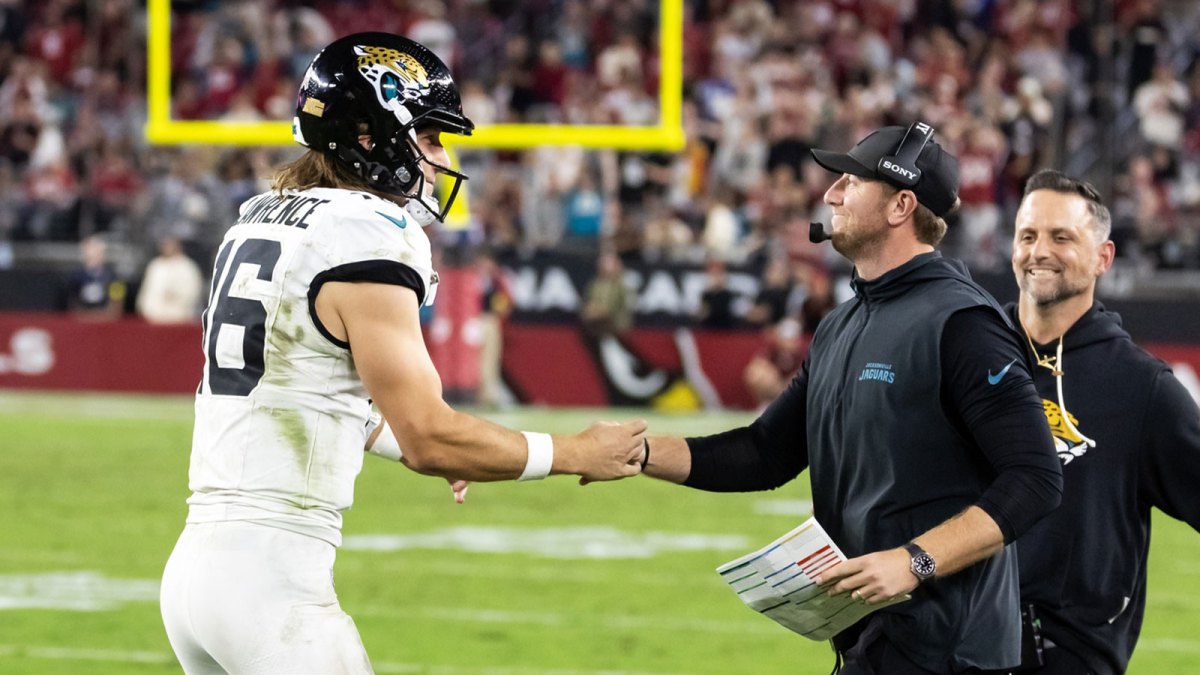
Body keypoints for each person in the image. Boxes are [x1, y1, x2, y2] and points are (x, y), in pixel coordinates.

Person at [159, 33, 647, 675]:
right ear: (371, 136)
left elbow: (309, 392)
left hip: (197, 573)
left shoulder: (261, 214)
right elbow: (429, 436)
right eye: (431, 136)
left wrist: (424, 442)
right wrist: (578, 451)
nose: (443, 160)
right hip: (273, 590)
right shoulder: (367, 232)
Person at [640, 123, 1063, 674]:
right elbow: (766, 451)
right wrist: (639, 454)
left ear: (901, 205)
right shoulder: (841, 324)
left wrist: (916, 560)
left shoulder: (962, 323)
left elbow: (1035, 477)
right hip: (870, 640)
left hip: (949, 649)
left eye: (850, 181)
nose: (830, 194)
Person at [1006, 170, 1200, 674]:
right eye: (1027, 236)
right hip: (952, 649)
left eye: (1061, 237)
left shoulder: (1142, 388)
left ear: (1103, 258)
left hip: (1068, 659)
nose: (1039, 251)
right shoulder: (970, 353)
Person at [135, 235, 204, 324]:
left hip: (179, 319)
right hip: (153, 318)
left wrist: (175, 295)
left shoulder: (188, 267)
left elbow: (193, 291)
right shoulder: (155, 265)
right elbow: (147, 290)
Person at [64, 234, 125, 320]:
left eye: (97, 251)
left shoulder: (114, 277)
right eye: (90, 251)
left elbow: (117, 302)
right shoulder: (75, 277)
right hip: (82, 323)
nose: (94, 255)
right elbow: (72, 303)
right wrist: (85, 317)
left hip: (106, 322)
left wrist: (103, 316)